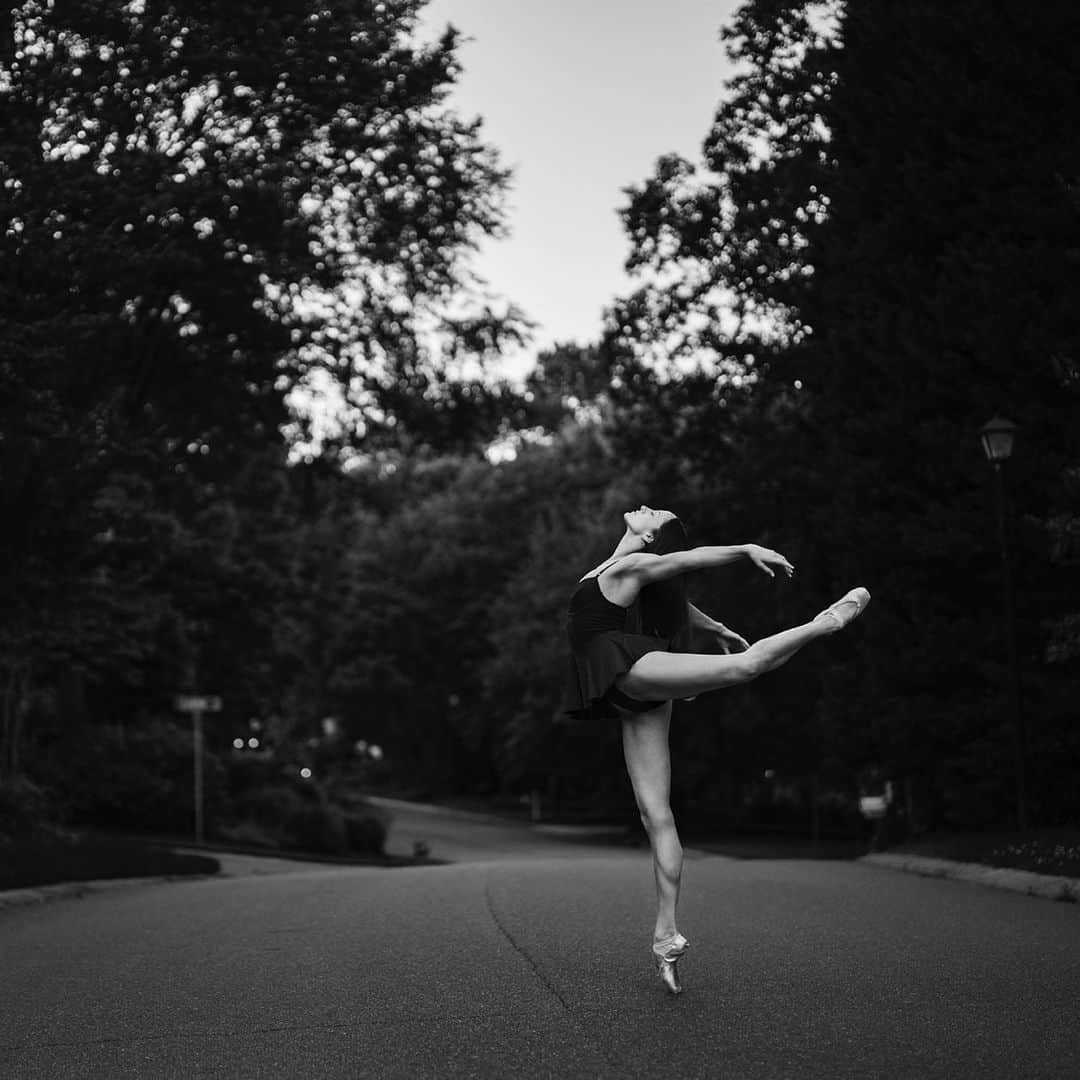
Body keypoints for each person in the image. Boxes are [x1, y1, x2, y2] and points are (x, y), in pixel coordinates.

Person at [563, 505, 870, 994]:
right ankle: (666, 939)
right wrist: (715, 628)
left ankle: (825, 624)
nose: (645, 508)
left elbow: (689, 562)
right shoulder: (614, 569)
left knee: (742, 668)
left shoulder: (629, 567)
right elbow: (675, 601)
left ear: (647, 538)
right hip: (627, 691)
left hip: (634, 673)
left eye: (652, 514)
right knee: (654, 814)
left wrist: (745, 549)